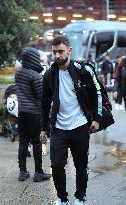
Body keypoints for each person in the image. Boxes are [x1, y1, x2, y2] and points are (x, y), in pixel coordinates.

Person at [40, 35, 102, 205]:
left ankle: (80, 197)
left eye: (60, 51)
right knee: (57, 166)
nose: (57, 55)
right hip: (59, 128)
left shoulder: (84, 69)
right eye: (54, 52)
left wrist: (96, 119)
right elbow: (44, 103)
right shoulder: (50, 75)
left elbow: (97, 93)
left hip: (80, 126)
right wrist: (43, 128)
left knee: (81, 166)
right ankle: (62, 198)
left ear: (69, 50)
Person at [15, 47, 51, 182]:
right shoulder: (35, 76)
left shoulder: (19, 74)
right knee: (36, 142)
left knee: (23, 142)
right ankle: (38, 172)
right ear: (33, 59)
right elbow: (40, 96)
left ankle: (22, 172)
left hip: (22, 112)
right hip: (34, 113)